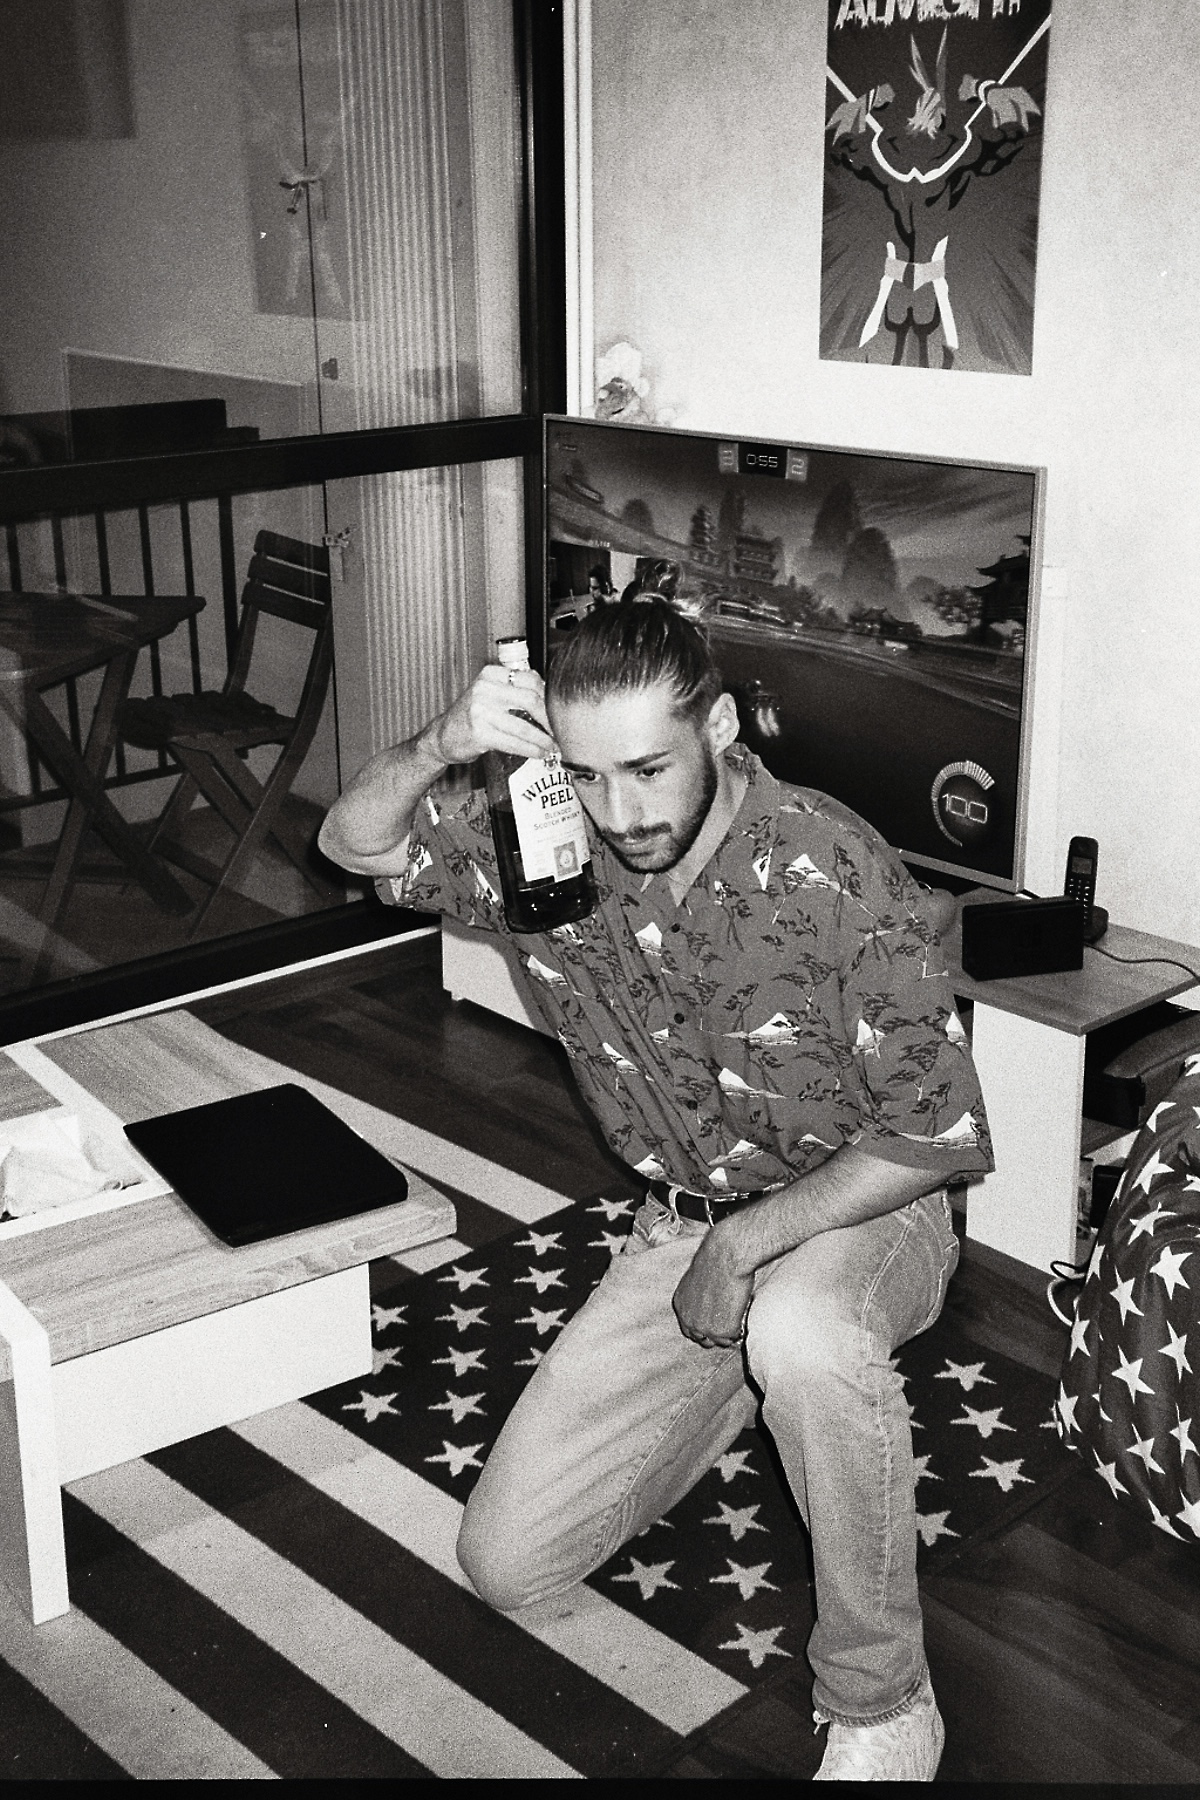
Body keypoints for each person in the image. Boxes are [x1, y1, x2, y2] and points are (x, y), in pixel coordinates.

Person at [318, 597, 993, 1781]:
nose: (621, 813)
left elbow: (935, 1134)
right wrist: (442, 742)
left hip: (868, 1205)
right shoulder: (548, 846)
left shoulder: (827, 864)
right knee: (507, 1563)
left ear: (718, 727)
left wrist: (740, 1251)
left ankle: (885, 1701)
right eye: (586, 776)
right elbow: (351, 845)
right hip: (680, 1223)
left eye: (647, 770)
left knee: (803, 1330)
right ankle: (746, 1383)